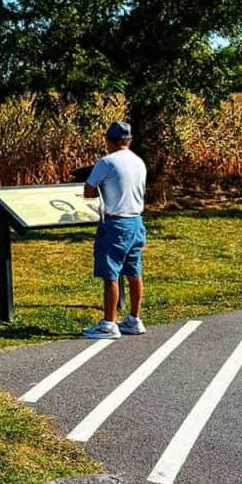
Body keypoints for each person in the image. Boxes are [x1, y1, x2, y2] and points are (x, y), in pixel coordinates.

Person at [81, 121, 147, 339]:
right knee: (134, 272)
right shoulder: (139, 162)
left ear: (110, 141)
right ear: (129, 141)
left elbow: (89, 191)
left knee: (111, 274)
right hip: (136, 221)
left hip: (115, 222)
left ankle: (109, 323)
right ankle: (134, 319)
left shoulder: (106, 162)